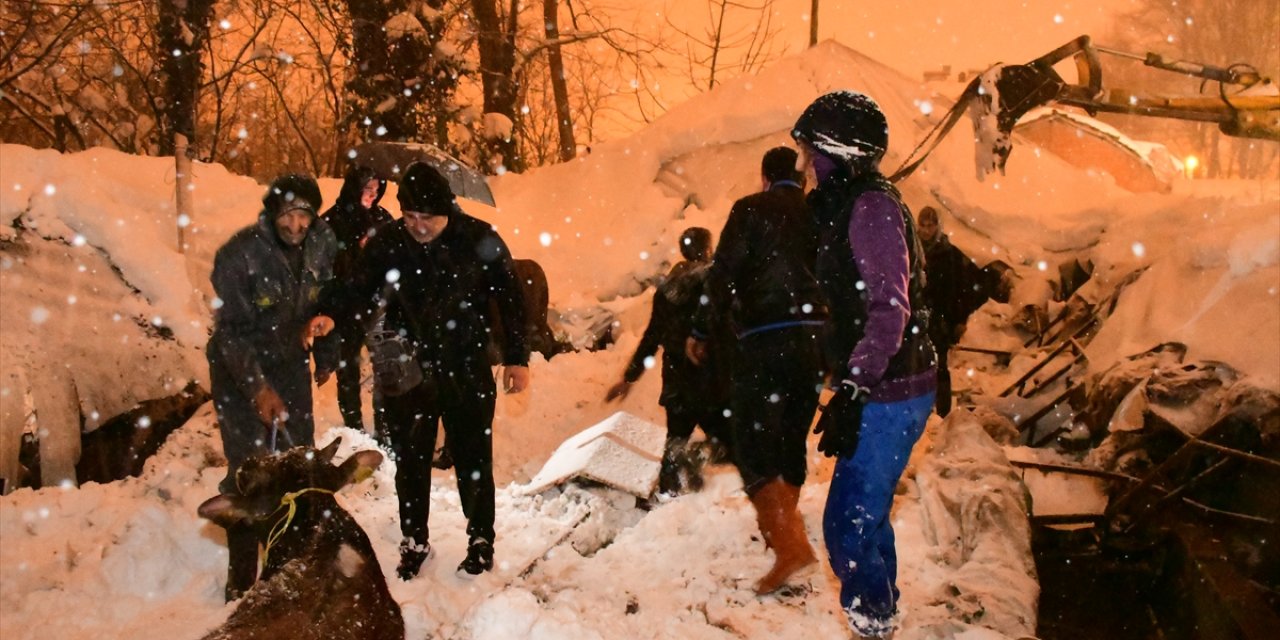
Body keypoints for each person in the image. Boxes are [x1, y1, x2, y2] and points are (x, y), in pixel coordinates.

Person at [791, 91, 937, 639]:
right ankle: (881, 614)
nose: (807, 165)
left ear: (837, 151)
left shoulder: (871, 206)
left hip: (890, 391)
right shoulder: (853, 202)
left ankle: (873, 626)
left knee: (846, 528)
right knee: (866, 520)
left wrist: (855, 387)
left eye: (812, 153)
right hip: (887, 386)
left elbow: (888, 306)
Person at [353, 162, 530, 579]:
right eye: (410, 216)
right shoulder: (388, 242)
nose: (417, 226)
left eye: (426, 218)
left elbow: (513, 301)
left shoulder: (480, 240)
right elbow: (359, 293)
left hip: (466, 364)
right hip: (407, 368)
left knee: (472, 456)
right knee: (411, 459)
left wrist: (518, 357)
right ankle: (414, 539)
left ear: (446, 210)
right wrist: (345, 323)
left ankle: (480, 538)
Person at [687, 146, 829, 595]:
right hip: (813, 342)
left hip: (766, 338)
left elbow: (723, 274)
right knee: (790, 437)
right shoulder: (816, 215)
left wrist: (701, 327)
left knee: (748, 442)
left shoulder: (751, 209)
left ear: (766, 176)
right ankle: (783, 532)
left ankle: (789, 544)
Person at [207, 173, 339, 601]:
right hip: (238, 370)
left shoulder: (324, 243)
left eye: (304, 215)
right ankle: (241, 578)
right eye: (287, 215)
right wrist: (257, 389)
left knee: (301, 462)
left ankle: (295, 560)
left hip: (291, 361)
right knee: (249, 471)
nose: (296, 226)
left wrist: (326, 342)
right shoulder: (239, 255)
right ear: (271, 213)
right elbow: (230, 334)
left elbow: (331, 299)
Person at [605, 227, 732, 495]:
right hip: (710, 379)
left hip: (677, 381)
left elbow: (652, 337)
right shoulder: (715, 283)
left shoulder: (667, 290)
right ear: (708, 248)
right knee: (730, 443)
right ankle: (699, 457)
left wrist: (629, 377)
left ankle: (667, 495)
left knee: (675, 441)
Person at [321, 165, 394, 431]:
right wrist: (354, 249)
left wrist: (377, 252)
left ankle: (385, 428)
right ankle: (354, 427)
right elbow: (326, 268)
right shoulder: (332, 221)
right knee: (348, 369)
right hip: (346, 306)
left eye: (377, 189)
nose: (373, 194)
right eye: (367, 189)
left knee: (386, 369)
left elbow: (396, 258)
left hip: (379, 306)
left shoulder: (382, 217)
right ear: (354, 187)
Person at [916, 205, 983, 417]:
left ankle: (942, 415)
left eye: (931, 225)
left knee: (939, 368)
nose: (927, 230)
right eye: (923, 225)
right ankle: (918, 411)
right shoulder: (912, 251)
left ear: (938, 226)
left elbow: (962, 289)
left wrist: (958, 319)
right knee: (914, 367)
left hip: (939, 321)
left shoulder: (949, 254)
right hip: (915, 320)